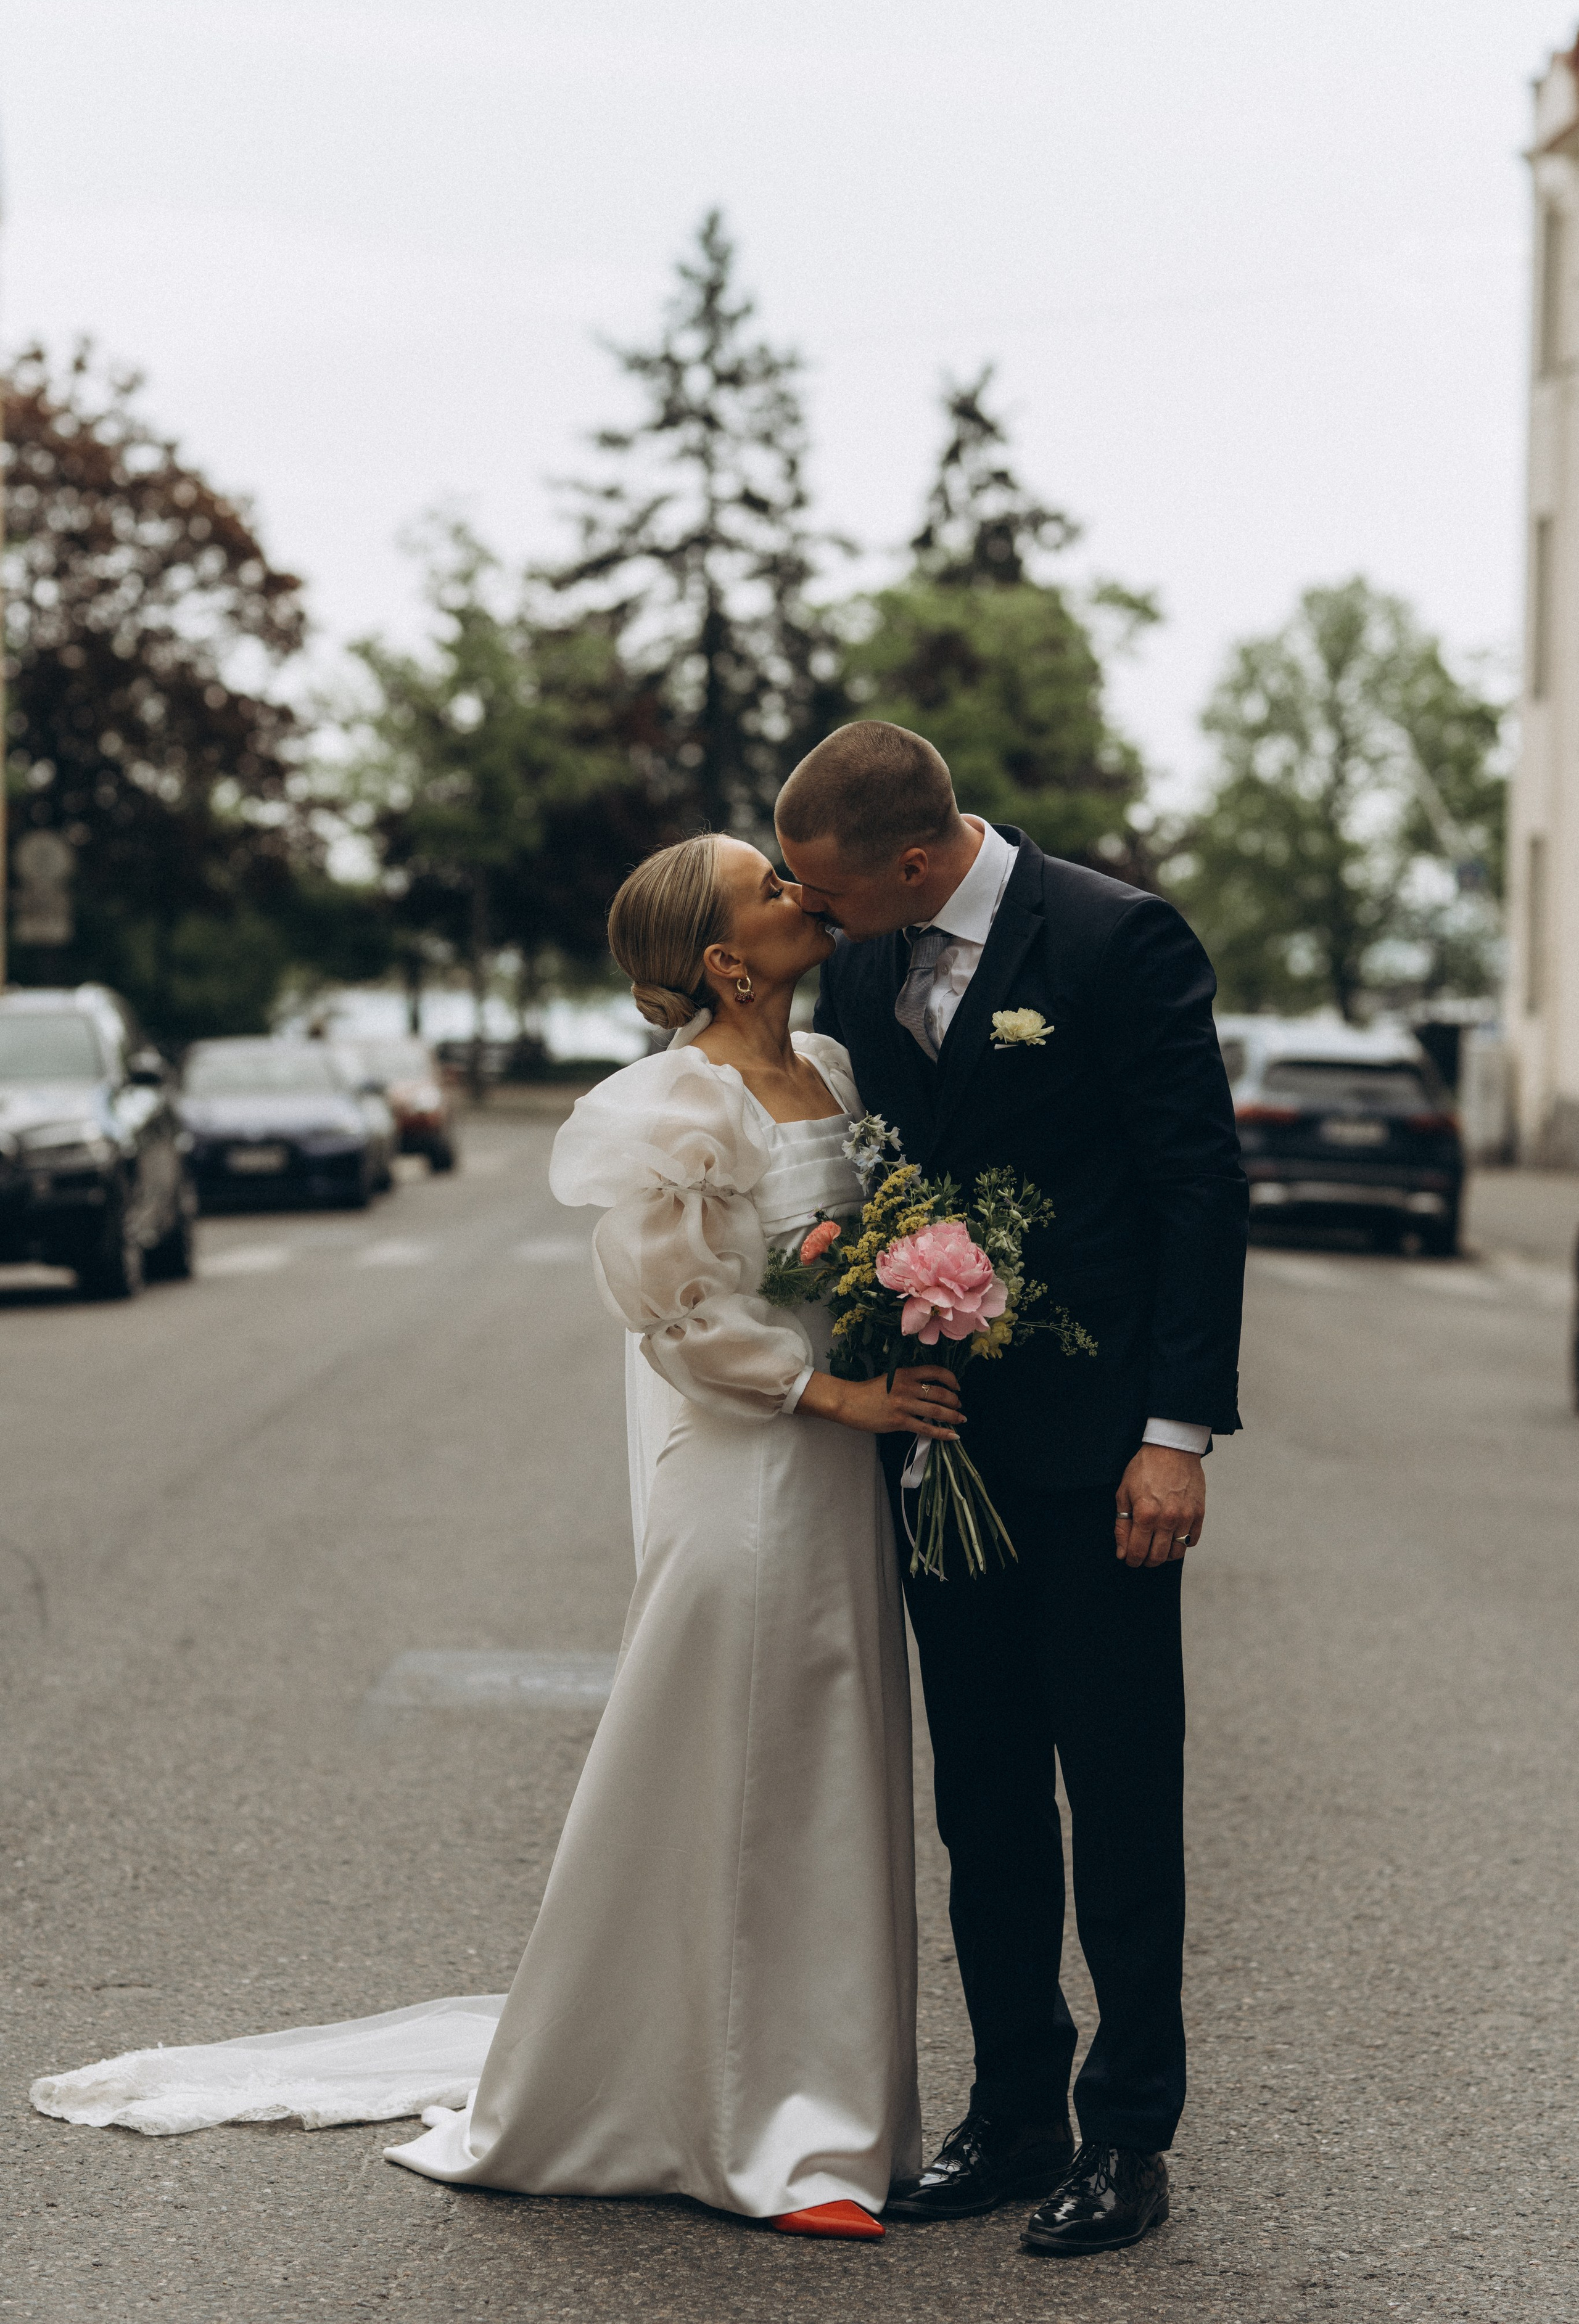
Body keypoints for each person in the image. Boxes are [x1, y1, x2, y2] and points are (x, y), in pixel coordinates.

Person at [31, 832, 952, 2246]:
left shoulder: (830, 1072)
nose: (796, 894)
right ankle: (766, 2133)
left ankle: (820, 2102)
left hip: (845, 1478)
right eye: (765, 888)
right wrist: (847, 1394)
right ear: (718, 961)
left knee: (828, 1767)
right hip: (755, 1474)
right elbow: (677, 1317)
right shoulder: (674, 1108)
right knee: (755, 1759)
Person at [776, 720, 1247, 2258]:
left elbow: (1194, 1187)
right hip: (937, 1447)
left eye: (826, 893)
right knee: (981, 1800)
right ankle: (1013, 2111)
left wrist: (1173, 1431)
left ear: (913, 862)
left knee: (1116, 1794)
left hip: (1104, 1453)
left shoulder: (1115, 942)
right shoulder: (860, 966)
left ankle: (1127, 2135)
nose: (812, 919)